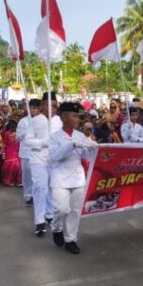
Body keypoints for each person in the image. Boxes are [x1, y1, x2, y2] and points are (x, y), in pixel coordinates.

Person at [49, 102, 96, 254]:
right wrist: (71, 145)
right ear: (64, 117)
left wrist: (92, 148)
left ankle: (70, 239)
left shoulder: (80, 135)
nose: (77, 119)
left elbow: (86, 156)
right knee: (61, 209)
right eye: (74, 116)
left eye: (78, 116)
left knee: (74, 211)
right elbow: (54, 156)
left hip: (77, 177)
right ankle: (56, 228)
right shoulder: (55, 137)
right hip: (60, 177)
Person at [24, 92, 62, 237]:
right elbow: (27, 140)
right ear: (42, 106)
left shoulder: (59, 121)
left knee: (52, 187)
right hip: (38, 158)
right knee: (40, 187)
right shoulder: (35, 120)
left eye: (54, 105)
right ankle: (39, 220)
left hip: (54, 158)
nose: (51, 108)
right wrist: (42, 142)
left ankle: (49, 213)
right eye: (48, 105)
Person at [17, 99, 40, 206]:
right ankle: (28, 195)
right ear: (29, 109)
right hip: (26, 153)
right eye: (33, 108)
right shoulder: (23, 122)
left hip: (39, 153)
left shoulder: (43, 121)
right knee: (27, 176)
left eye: (37, 108)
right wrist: (28, 130)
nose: (36, 110)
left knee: (38, 176)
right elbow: (18, 137)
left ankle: (38, 195)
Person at [1, 120, 23, 187]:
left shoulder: (18, 133)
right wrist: (3, 153)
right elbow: (4, 143)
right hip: (9, 151)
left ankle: (18, 180)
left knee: (18, 166)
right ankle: (7, 181)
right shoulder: (6, 133)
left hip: (17, 151)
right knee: (10, 166)